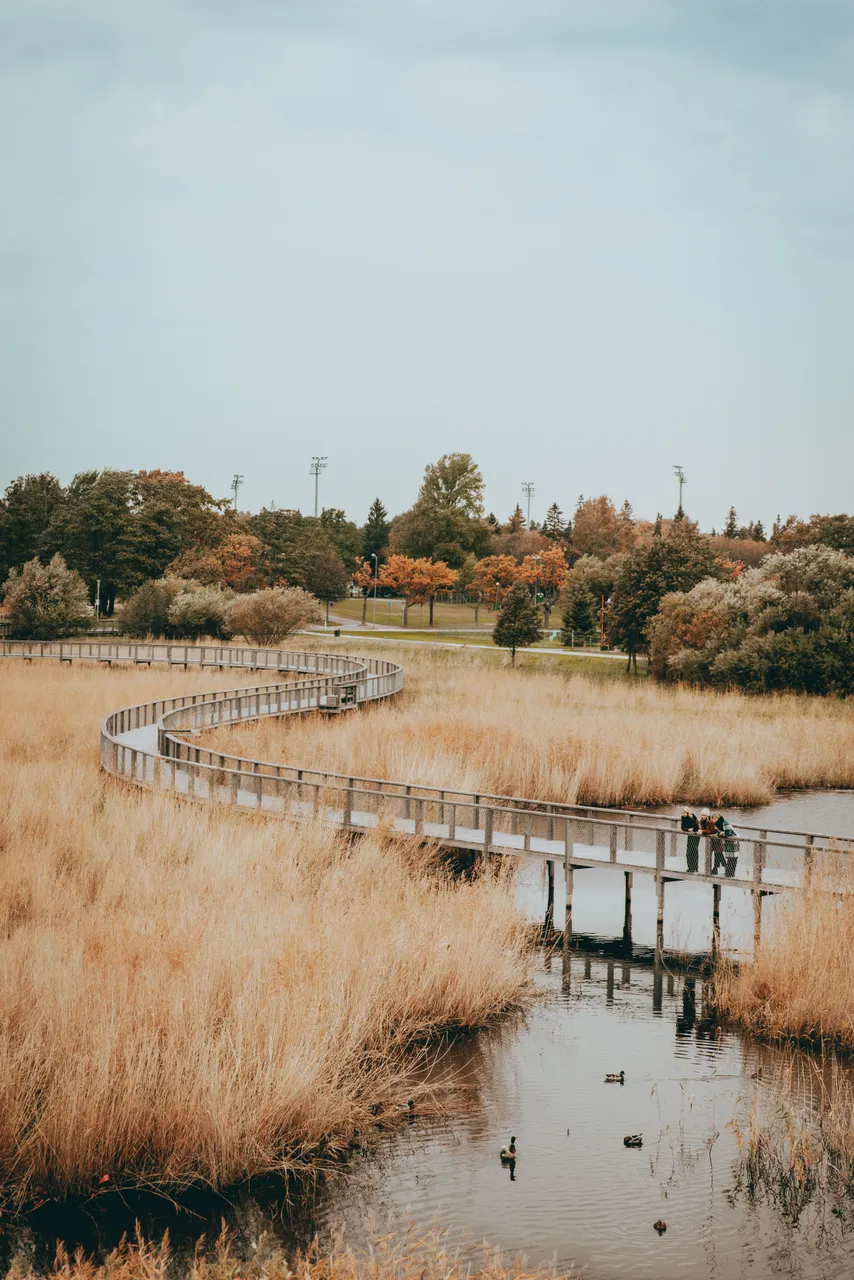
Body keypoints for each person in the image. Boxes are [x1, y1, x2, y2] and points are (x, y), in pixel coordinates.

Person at [681, 808, 700, 873]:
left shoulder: (693, 817)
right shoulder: (683, 817)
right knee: (689, 852)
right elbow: (682, 827)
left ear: (688, 813)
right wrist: (687, 830)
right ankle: (690, 868)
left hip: (696, 835)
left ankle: (695, 868)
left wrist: (693, 827)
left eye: (684, 813)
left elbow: (697, 827)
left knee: (694, 851)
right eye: (682, 812)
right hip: (690, 834)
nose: (682, 814)